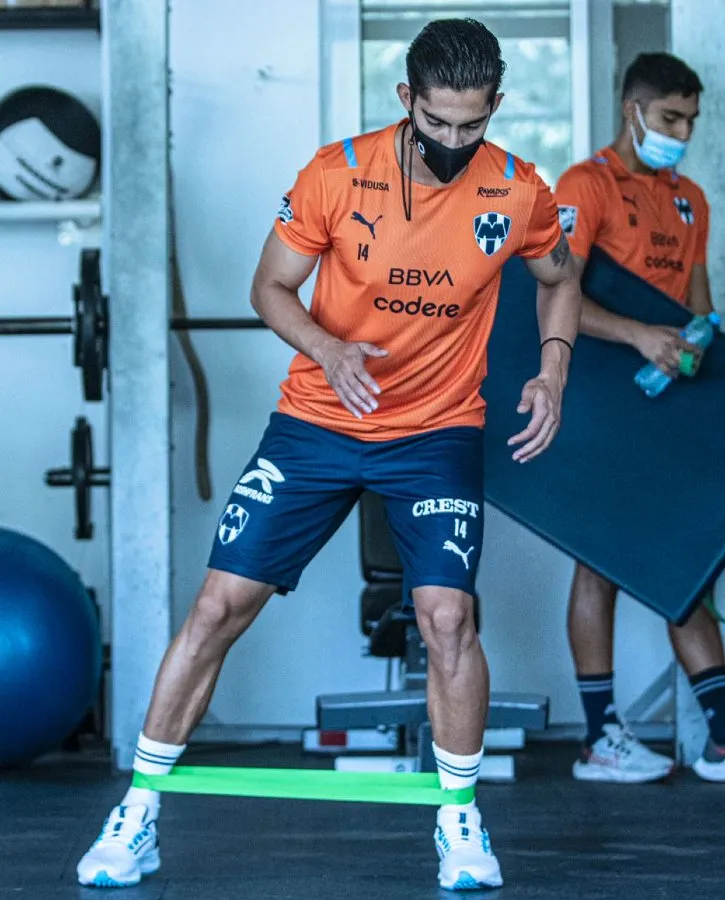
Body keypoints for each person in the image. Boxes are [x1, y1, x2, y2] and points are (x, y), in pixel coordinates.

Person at [77, 18, 581, 891]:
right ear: (406, 102)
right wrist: (327, 347)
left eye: (472, 124)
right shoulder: (333, 173)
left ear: (494, 107)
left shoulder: (519, 191)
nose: (454, 142)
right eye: (437, 123)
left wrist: (551, 370)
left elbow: (560, 275)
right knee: (216, 608)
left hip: (435, 430)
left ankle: (459, 823)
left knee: (449, 618)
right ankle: (138, 813)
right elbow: (268, 287)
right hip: (318, 420)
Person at [555, 52, 725, 785]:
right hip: (598, 395)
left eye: (689, 120)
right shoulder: (583, 185)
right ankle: (599, 738)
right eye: (669, 119)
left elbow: (697, 305)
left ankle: (720, 736)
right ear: (633, 110)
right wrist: (636, 335)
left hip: (668, 402)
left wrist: (692, 339)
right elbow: (553, 297)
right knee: (600, 559)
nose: (681, 133)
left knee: (682, 552)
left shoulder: (690, 197)